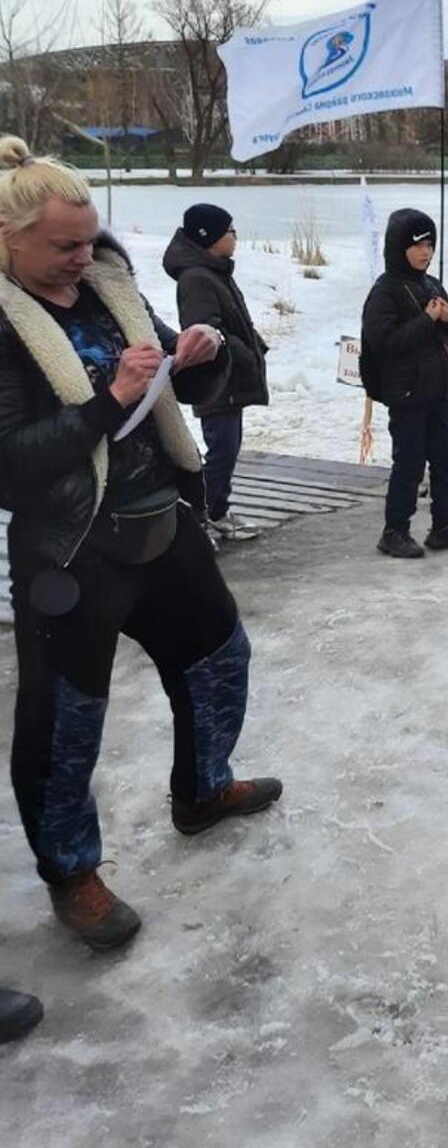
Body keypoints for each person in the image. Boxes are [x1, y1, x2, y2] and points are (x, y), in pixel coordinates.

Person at [0, 137, 282, 952]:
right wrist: (103, 399)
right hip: (71, 551)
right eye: (61, 246)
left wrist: (200, 359)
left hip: (160, 518)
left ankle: (202, 791)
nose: (81, 257)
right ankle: (71, 874)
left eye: (89, 240)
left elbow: (171, 382)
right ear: (10, 238)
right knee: (64, 725)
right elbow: (8, 464)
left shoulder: (105, 289)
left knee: (221, 658)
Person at [359, 208, 448, 559]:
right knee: (410, 463)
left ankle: (444, 525)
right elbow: (383, 341)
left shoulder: (429, 283)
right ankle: (394, 530)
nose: (425, 253)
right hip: (407, 392)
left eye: (430, 244)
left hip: (437, 389)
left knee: (446, 459)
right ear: (399, 247)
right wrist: (427, 319)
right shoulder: (384, 291)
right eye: (417, 246)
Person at [163, 203, 268, 544]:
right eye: (231, 232)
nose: (235, 238)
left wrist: (255, 346)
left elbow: (233, 323)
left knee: (227, 448)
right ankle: (201, 518)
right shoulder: (197, 278)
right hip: (218, 380)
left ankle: (217, 512)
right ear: (210, 237)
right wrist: (239, 352)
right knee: (220, 451)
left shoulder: (216, 270)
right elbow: (205, 330)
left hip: (232, 378)